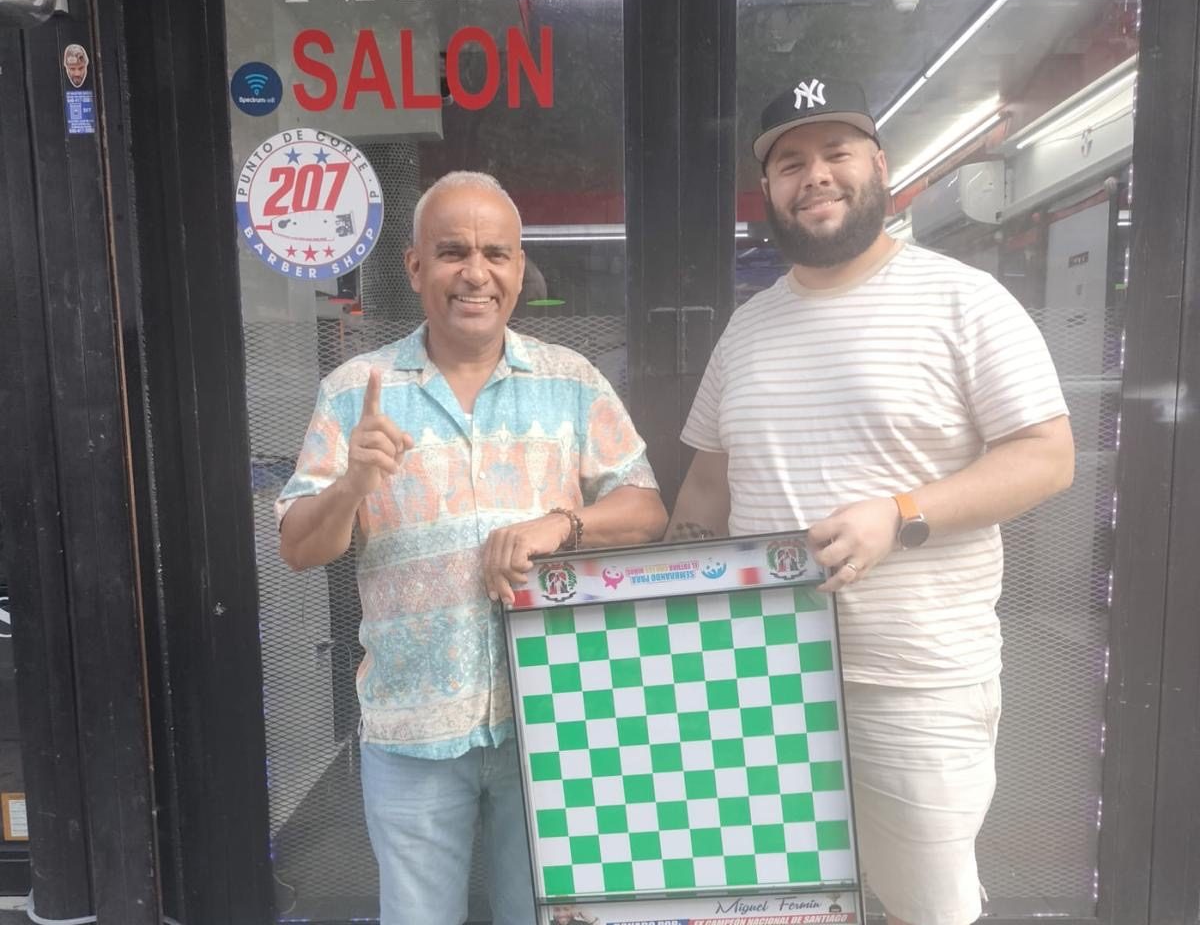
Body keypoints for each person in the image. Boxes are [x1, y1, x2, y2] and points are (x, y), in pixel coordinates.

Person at [666, 78, 1075, 925]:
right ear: (768, 189)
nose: (814, 175)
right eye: (790, 163)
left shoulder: (964, 300)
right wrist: (664, 621)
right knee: (777, 903)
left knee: (929, 910)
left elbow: (1047, 456)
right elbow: (707, 484)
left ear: (880, 167)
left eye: (836, 153)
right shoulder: (747, 330)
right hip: (759, 681)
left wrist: (900, 513)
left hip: (914, 686)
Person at [277, 171, 667, 925]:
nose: (476, 273)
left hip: (555, 721)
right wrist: (352, 484)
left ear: (520, 268)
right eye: (453, 252)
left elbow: (646, 509)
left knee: (545, 915)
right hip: (413, 726)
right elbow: (299, 547)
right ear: (415, 266)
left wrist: (561, 524)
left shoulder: (573, 383)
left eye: (496, 254)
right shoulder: (356, 389)